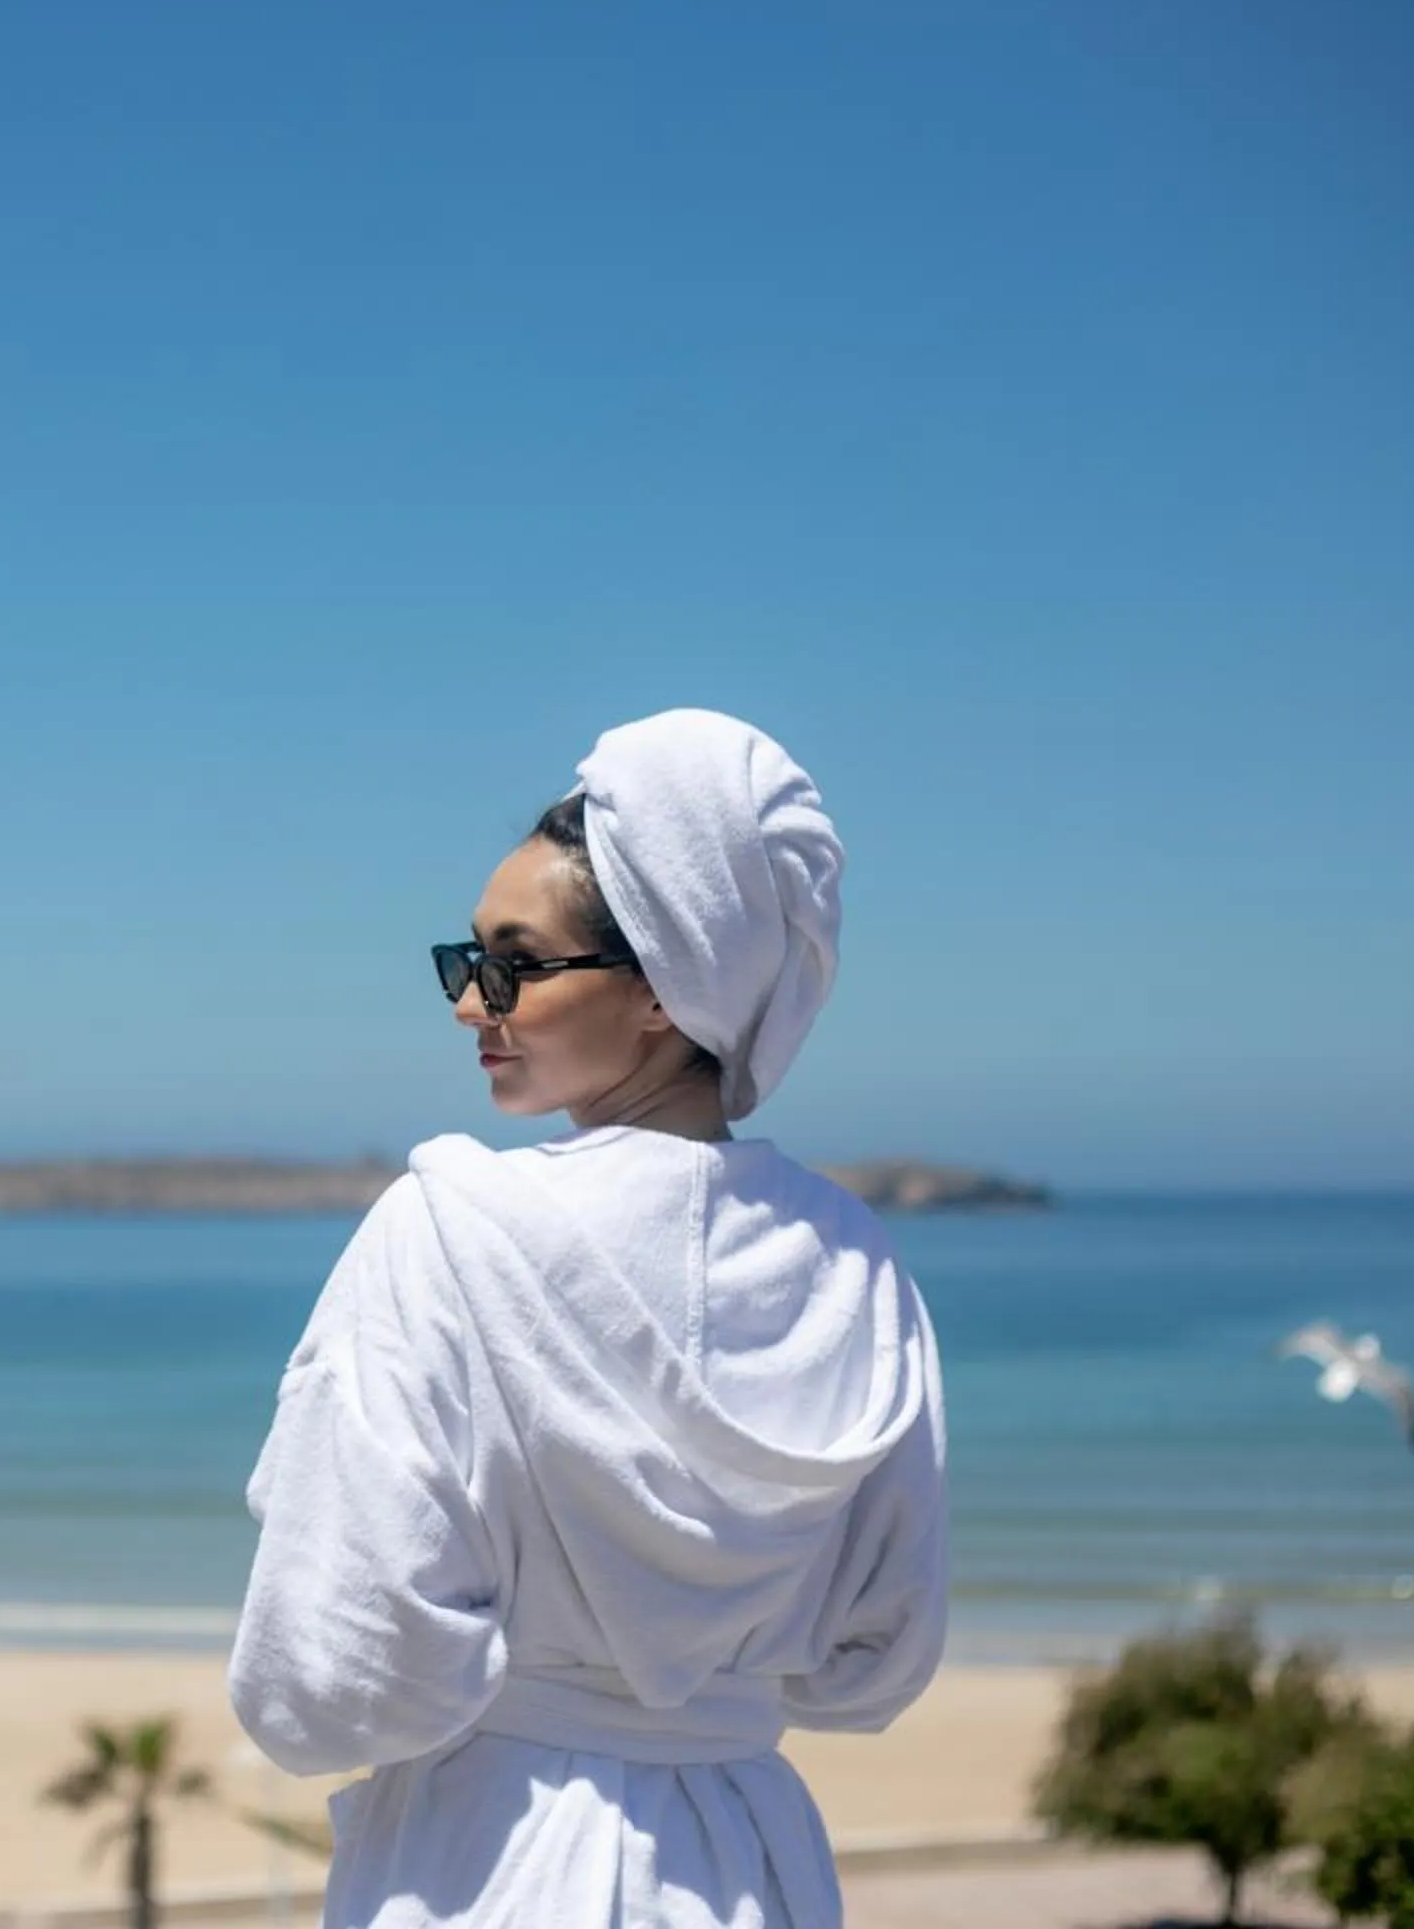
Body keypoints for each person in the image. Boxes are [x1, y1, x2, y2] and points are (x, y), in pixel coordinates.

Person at [228, 708, 947, 1929]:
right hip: (748, 1863)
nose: (472, 1002)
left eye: (513, 962)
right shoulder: (852, 1261)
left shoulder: (450, 1228)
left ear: (665, 985)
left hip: (488, 1862)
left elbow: (333, 1673)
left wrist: (515, 1689)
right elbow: (876, 1657)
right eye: (467, 960)